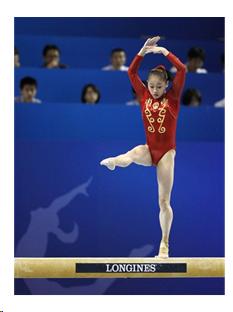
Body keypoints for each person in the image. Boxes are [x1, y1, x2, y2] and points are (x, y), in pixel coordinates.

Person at [100, 36, 186, 258]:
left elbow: (182, 69)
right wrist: (142, 51)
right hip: (150, 149)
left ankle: (164, 244)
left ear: (166, 85)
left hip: (166, 152)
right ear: (147, 85)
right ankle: (115, 163)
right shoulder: (143, 95)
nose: (155, 90)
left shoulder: (173, 97)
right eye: (152, 86)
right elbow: (131, 72)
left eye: (159, 86)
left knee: (164, 201)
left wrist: (164, 52)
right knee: (132, 153)